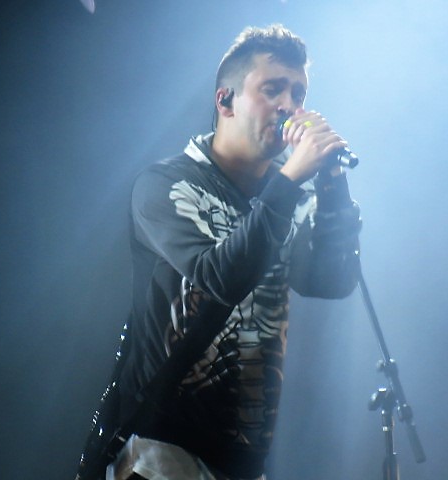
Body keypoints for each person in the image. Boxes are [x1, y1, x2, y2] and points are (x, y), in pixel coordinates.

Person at [77, 24, 362, 480]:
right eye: (272, 89)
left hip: (243, 460)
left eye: (298, 93)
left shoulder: (287, 196)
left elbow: (329, 281)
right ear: (225, 101)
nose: (289, 106)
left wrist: (332, 186)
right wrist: (289, 182)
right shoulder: (167, 185)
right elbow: (219, 278)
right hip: (162, 450)